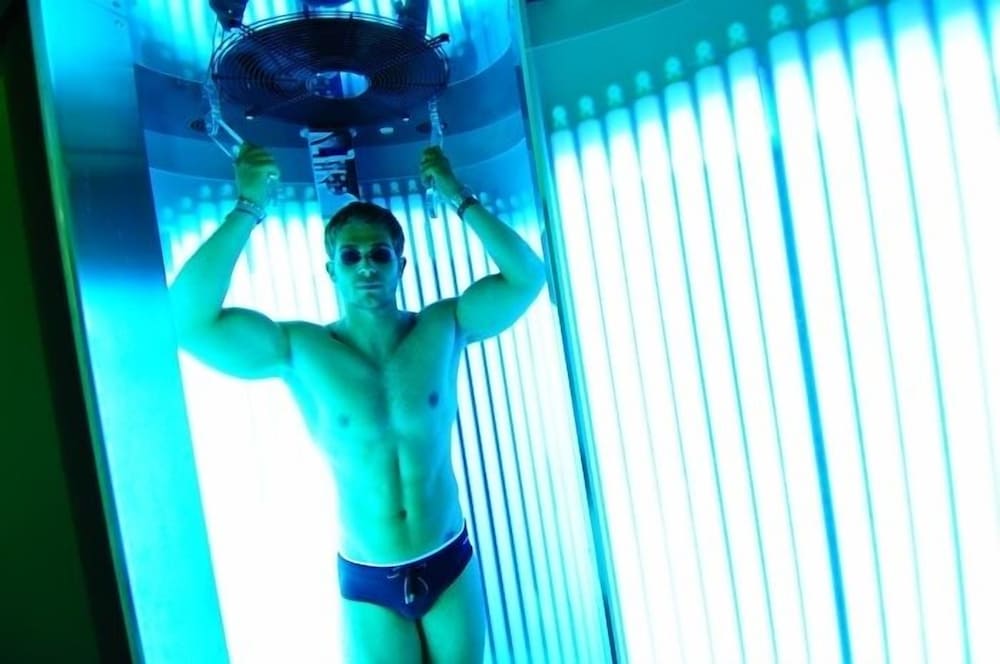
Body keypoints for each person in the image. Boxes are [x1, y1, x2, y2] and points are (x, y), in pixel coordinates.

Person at [169, 143, 547, 664]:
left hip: (447, 558)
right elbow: (188, 321)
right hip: (370, 576)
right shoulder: (300, 349)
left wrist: (456, 194)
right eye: (350, 256)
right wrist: (249, 206)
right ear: (332, 269)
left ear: (400, 264)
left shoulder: (442, 327)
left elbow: (528, 276)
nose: (366, 265)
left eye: (379, 254)